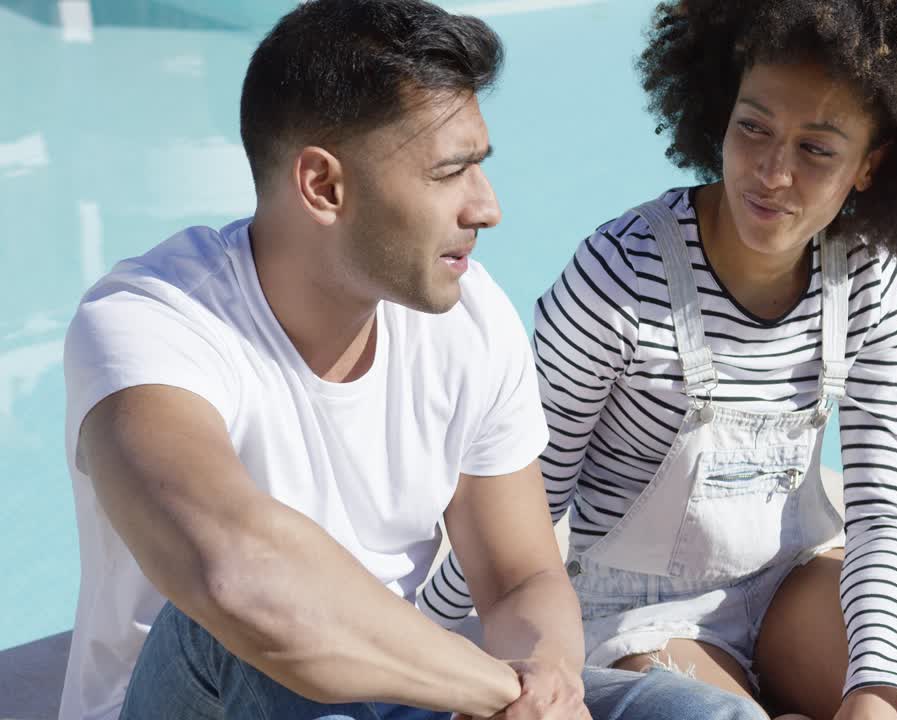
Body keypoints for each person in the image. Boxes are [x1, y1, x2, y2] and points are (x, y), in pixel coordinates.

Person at [57, 2, 768, 719]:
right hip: (203, 696)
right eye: (450, 173)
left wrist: (544, 688)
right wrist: (491, 691)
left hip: (406, 695)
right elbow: (239, 575)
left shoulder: (469, 316)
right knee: (223, 626)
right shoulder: (149, 324)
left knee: (710, 715)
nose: (486, 207)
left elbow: (520, 576)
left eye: (479, 169)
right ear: (324, 187)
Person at [421, 2, 897, 719]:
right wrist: (429, 634)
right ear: (721, 113)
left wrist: (877, 694)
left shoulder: (872, 288)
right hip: (635, 616)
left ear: (870, 165)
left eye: (817, 150)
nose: (773, 173)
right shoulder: (619, 273)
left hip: (788, 585)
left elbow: (879, 515)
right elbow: (526, 506)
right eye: (754, 128)